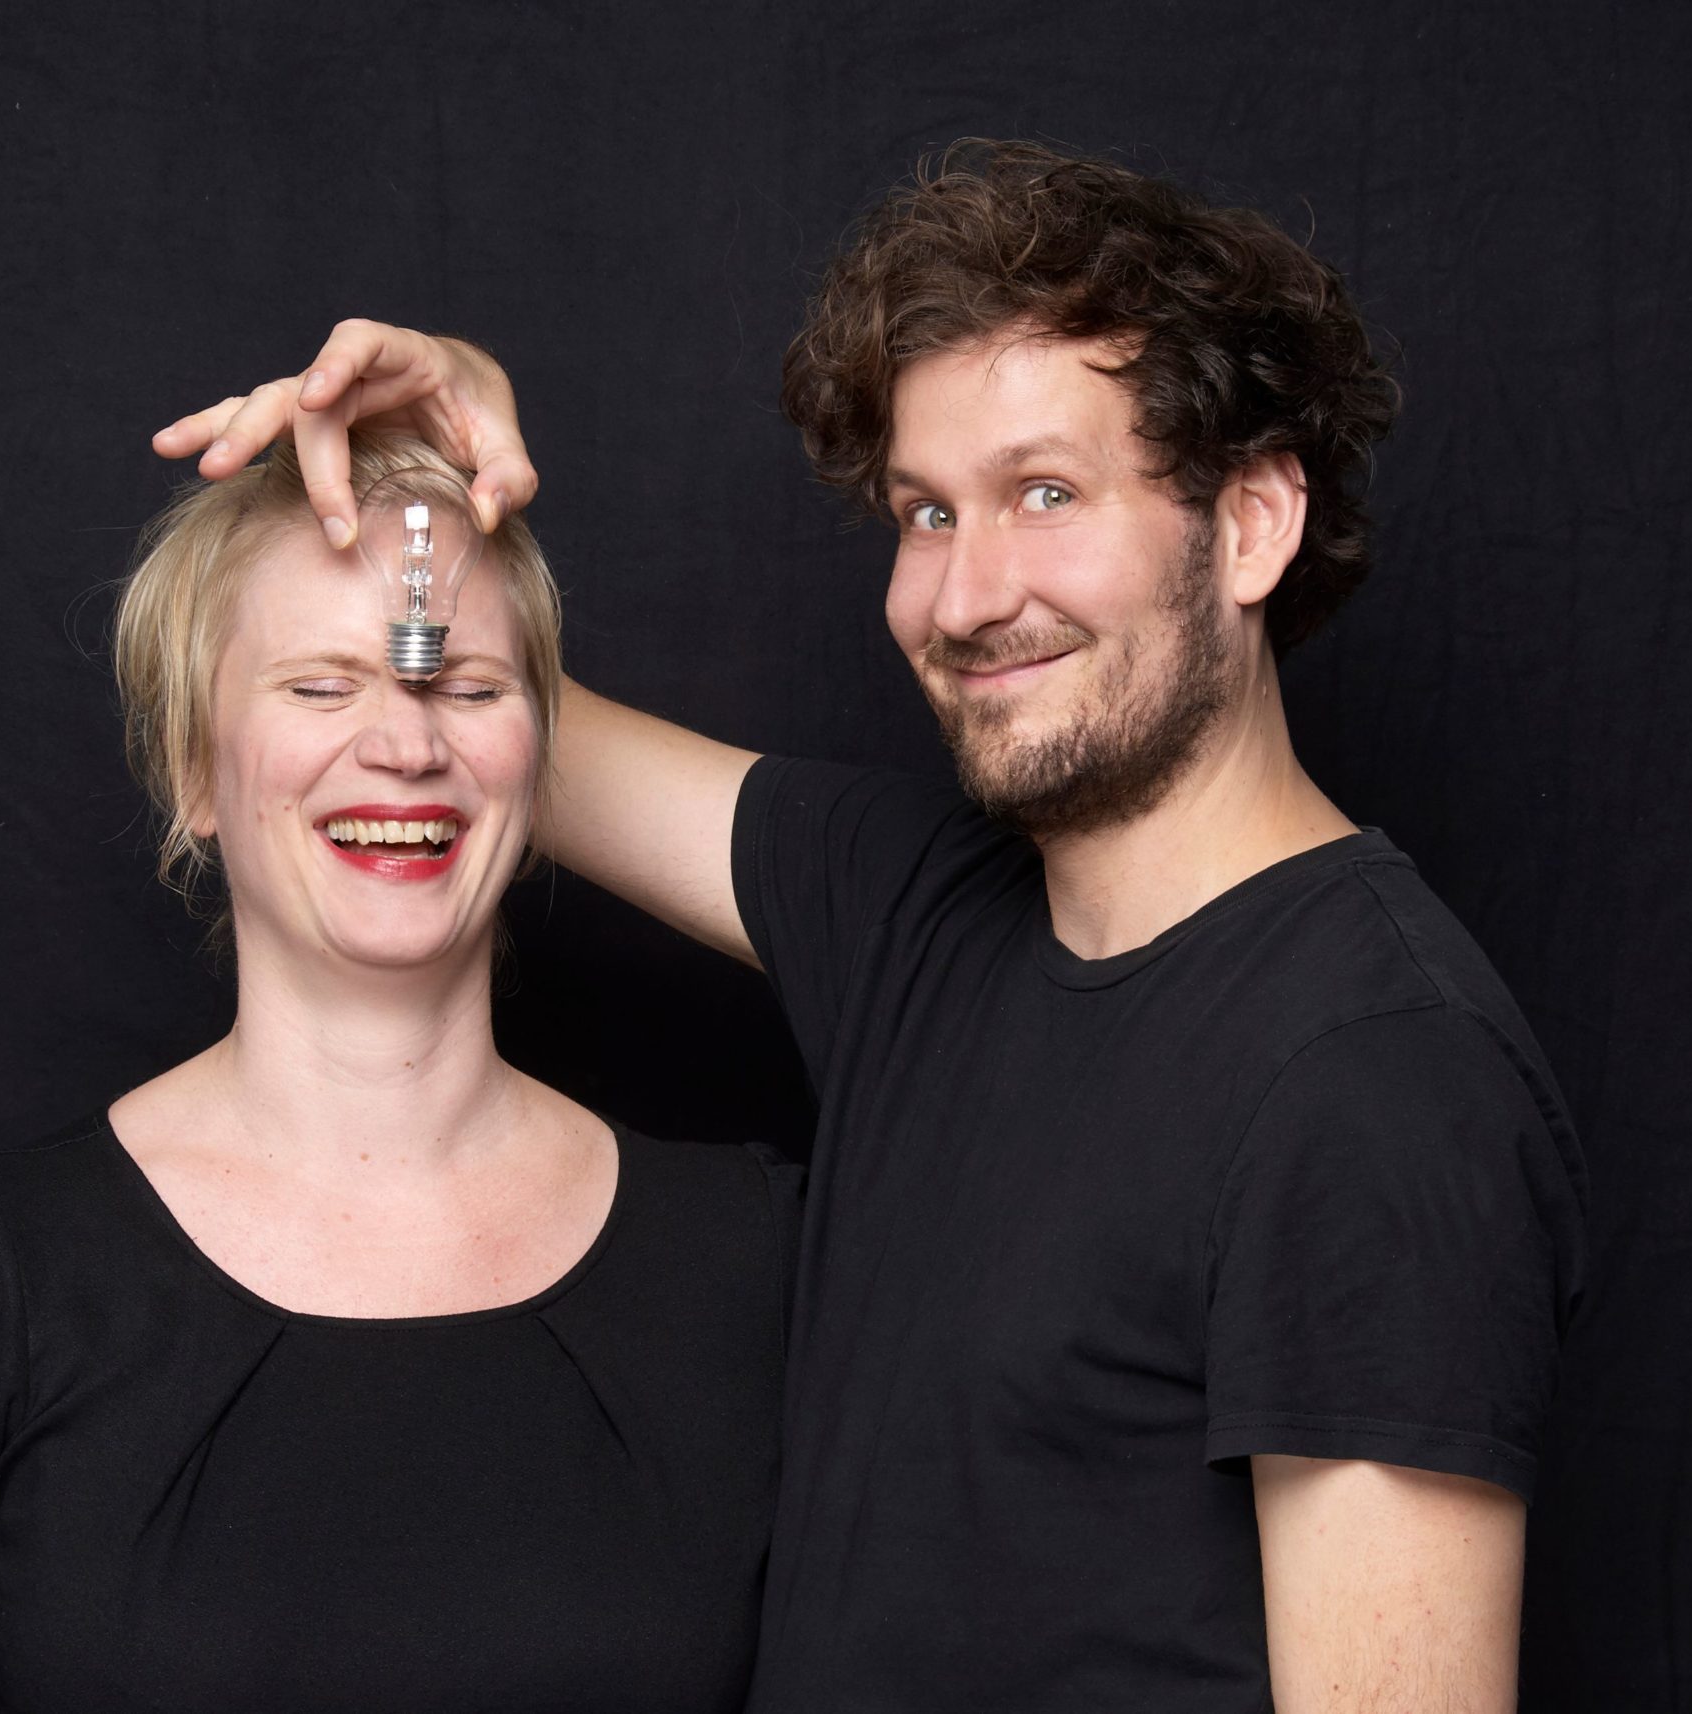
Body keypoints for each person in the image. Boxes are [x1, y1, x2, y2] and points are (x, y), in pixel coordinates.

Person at [160, 141, 1589, 1710]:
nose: (966, 596)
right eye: (925, 512)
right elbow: (476, 739)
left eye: (1045, 494)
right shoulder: (922, 917)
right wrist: (437, 486)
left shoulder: (1375, 1072)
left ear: (1250, 524)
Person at [0, 436, 795, 1711]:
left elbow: (979, 938)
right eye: (318, 686)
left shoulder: (755, 1259)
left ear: (540, 759)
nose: (404, 744)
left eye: (466, 687)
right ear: (195, 768)